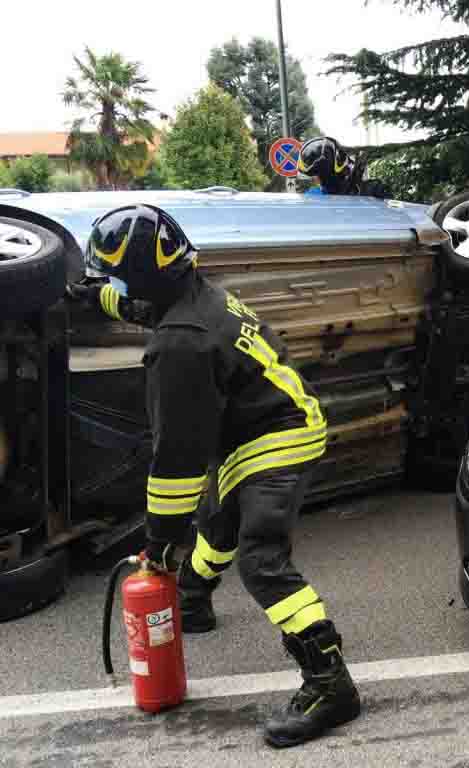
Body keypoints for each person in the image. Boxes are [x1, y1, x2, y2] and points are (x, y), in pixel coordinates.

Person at [70, 204, 360, 748]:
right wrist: (93, 298)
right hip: (265, 422)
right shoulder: (194, 295)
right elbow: (148, 305)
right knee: (218, 521)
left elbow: (178, 460)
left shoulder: (181, 345)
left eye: (114, 277)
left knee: (261, 559)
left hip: (280, 435)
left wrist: (158, 543)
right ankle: (195, 600)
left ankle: (331, 684)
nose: (116, 287)